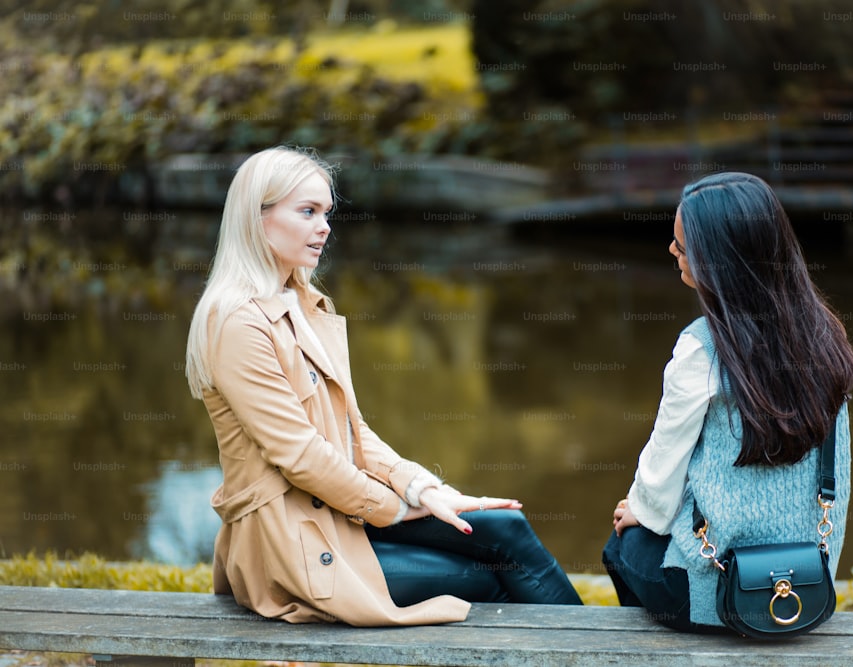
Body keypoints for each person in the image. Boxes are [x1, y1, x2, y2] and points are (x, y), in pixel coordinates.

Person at [185, 146, 581, 626]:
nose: (324, 227)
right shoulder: (236, 322)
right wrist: (394, 510)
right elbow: (300, 455)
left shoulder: (304, 304)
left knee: (505, 530)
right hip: (291, 545)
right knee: (486, 575)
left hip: (338, 519)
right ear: (257, 218)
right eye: (307, 212)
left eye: (326, 213)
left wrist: (424, 490)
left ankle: (603, 655)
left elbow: (354, 434)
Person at [602, 172, 853, 632]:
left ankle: (650, 655)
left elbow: (657, 492)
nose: (671, 252)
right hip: (805, 588)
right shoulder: (827, 338)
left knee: (621, 543)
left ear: (718, 261)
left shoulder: (700, 349)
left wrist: (635, 510)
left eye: (681, 247)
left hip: (719, 596)